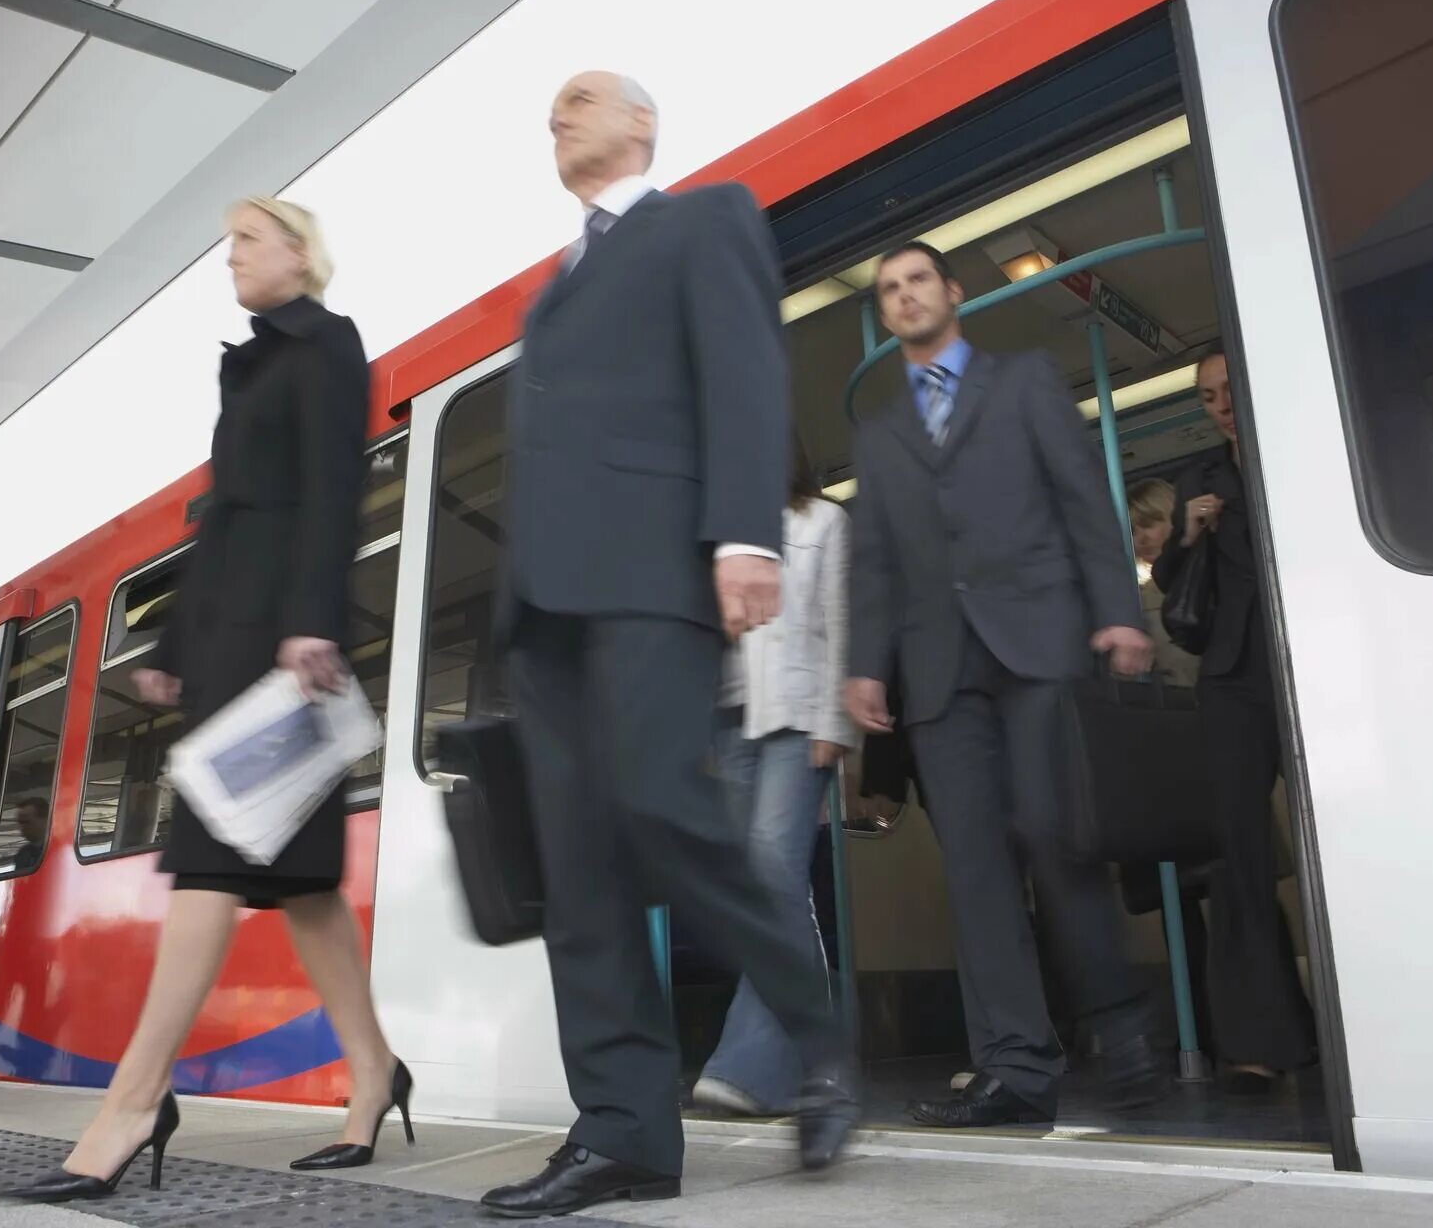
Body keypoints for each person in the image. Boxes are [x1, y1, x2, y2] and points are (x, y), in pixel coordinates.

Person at [480, 71, 857, 1220]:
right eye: (549, 104)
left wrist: (745, 531)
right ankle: (625, 1132)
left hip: (653, 572)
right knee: (579, 876)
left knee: (666, 809)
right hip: (545, 610)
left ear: (643, 122)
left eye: (582, 98)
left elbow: (744, 369)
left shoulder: (707, 216)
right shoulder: (555, 288)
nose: (558, 112)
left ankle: (816, 1027)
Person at [0, 196, 407, 1205]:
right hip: (229, 639)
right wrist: (173, 646)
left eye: (246, 242)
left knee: (209, 863)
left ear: (300, 254)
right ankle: (375, 1070)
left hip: (280, 646)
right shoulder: (254, 360)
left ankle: (135, 1098)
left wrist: (314, 618)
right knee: (303, 883)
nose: (230, 259)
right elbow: (223, 519)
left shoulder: (326, 343)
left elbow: (332, 486)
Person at [845, 242, 1169, 1127]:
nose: (905, 295)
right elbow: (872, 563)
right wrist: (867, 663)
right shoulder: (878, 433)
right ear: (885, 314)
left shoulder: (1024, 380)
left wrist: (1119, 614)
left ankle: (1122, 1025)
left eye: (918, 280)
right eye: (890, 289)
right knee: (978, 871)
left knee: (1054, 834)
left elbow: (1082, 500)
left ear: (952, 293)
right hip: (941, 671)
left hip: (1039, 646)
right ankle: (1016, 1068)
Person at [1150, 350, 1316, 1091]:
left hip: (1318, 663)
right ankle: (1258, 1043)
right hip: (1233, 678)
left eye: (1229, 390)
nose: (1220, 405)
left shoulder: (1307, 446)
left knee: (1342, 843)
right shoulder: (1199, 482)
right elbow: (1177, 605)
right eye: (1208, 396)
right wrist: (1186, 536)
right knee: (1239, 862)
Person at [693, 437, 856, 1118]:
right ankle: (807, 1064)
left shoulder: (824, 521)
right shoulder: (717, 537)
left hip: (798, 717)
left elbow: (841, 621)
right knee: (751, 889)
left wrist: (834, 722)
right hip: (729, 723)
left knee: (772, 878)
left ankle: (754, 1065)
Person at [1128, 478, 1200, 688]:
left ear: (1175, 518)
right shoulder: (1139, 602)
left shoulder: (1216, 575)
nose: (1140, 539)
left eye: (1148, 524)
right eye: (1133, 531)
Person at [10, 797, 49, 875]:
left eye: (26, 822)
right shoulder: (24, 853)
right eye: (20, 823)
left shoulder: (60, 850)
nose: (21, 828)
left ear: (45, 819)